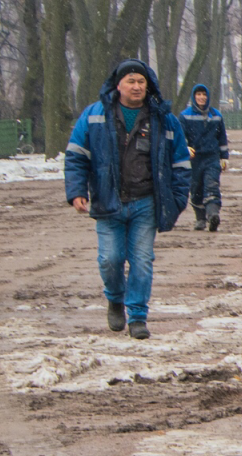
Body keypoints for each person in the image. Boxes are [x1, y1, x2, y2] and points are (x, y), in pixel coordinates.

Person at [65, 59, 191, 340]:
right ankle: (114, 298)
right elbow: (76, 155)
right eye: (131, 81)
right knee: (110, 260)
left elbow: (180, 164)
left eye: (141, 82)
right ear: (118, 85)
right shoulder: (94, 115)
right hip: (108, 202)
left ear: (148, 86)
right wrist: (76, 192)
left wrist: (178, 199)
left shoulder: (164, 119)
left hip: (146, 202)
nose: (136, 86)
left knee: (142, 261)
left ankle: (137, 316)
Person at [180, 83, 230, 231]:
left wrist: (224, 157)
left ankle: (213, 214)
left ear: (208, 97)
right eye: (198, 94)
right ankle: (200, 218)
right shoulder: (185, 115)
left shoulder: (216, 116)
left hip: (212, 157)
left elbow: (222, 137)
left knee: (212, 185)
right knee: (196, 188)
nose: (201, 97)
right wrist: (184, 149)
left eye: (204, 94)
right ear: (194, 97)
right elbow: (180, 137)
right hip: (194, 159)